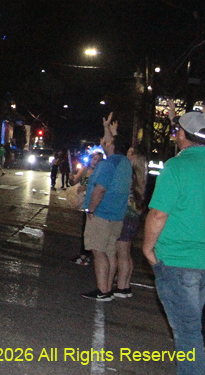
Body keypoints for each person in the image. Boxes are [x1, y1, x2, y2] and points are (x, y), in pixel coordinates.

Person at [142, 110, 205, 375]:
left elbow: (158, 214)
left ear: (180, 134)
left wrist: (147, 248)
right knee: (195, 329)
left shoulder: (177, 167)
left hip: (179, 261)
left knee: (188, 334)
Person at [81, 116, 132, 301]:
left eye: (108, 141)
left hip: (102, 215)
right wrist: (107, 128)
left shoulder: (108, 164)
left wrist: (91, 210)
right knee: (110, 251)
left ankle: (103, 290)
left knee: (98, 252)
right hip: (117, 216)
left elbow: (100, 189)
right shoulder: (125, 163)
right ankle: (108, 289)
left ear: (112, 146)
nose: (105, 142)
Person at [113, 146, 148, 298]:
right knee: (126, 252)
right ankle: (125, 285)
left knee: (121, 251)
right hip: (134, 215)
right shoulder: (141, 175)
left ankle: (121, 287)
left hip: (126, 214)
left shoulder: (130, 173)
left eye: (131, 153)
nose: (128, 155)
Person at [70, 150, 104, 266]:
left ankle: (88, 255)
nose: (96, 162)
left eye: (99, 160)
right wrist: (71, 178)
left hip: (95, 204)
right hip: (84, 202)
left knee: (92, 229)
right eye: (94, 159)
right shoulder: (85, 170)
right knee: (85, 228)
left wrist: (87, 187)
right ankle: (84, 253)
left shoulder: (101, 173)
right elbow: (73, 182)